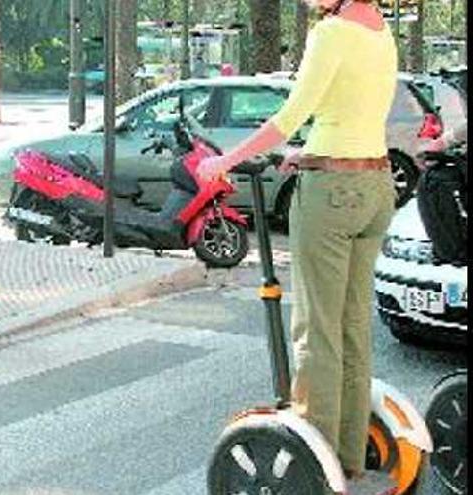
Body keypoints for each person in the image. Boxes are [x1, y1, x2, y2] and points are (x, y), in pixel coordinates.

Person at [198, 0, 398, 492]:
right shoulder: (380, 30)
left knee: (316, 329)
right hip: (374, 185)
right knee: (352, 326)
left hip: (331, 193)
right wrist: (306, 153)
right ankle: (349, 460)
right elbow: (352, 117)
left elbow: (289, 117)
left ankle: (317, 464)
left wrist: (224, 160)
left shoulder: (331, 32)